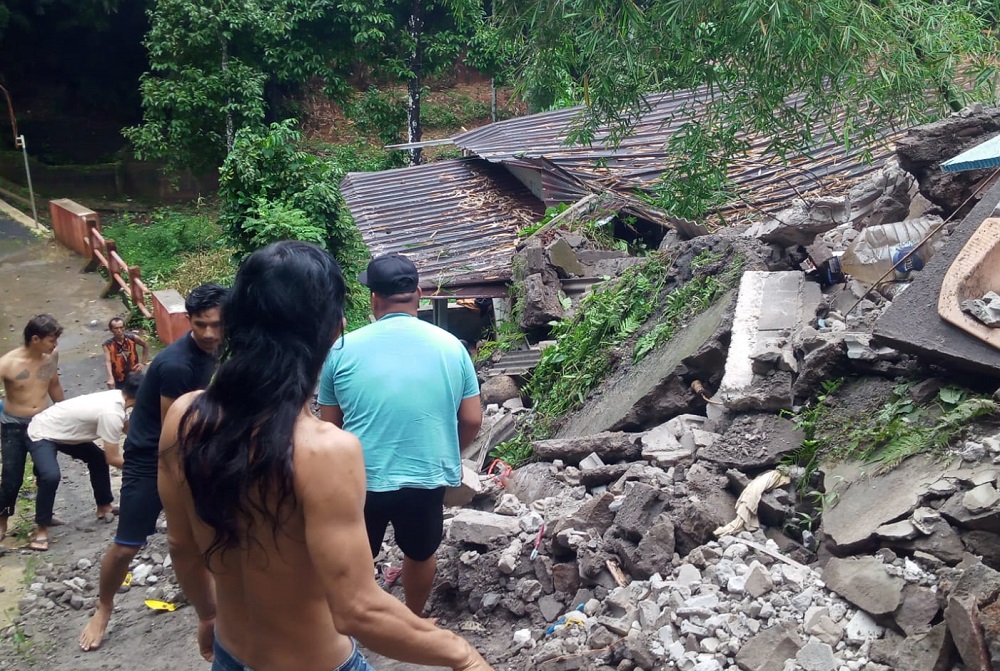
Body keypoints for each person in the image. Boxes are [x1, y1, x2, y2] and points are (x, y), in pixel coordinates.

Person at [158, 241, 492, 671]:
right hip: (316, 663)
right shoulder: (324, 451)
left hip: (231, 653)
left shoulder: (185, 418)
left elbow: (181, 544)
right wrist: (462, 654)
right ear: (334, 329)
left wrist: (208, 614)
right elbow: (358, 610)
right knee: (418, 551)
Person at [318, 253, 483, 617]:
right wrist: (447, 451)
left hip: (361, 477)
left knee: (357, 555)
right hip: (426, 474)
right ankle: (412, 620)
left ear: (374, 299)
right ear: (419, 295)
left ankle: (356, 624)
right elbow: (472, 418)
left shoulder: (342, 348)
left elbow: (327, 427)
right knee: (420, 552)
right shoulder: (451, 346)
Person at [79, 284, 227, 652]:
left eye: (217, 324)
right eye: (199, 324)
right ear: (189, 321)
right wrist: (185, 487)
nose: (208, 333)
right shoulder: (178, 365)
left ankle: (216, 608)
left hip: (200, 447)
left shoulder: (227, 347)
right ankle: (104, 606)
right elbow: (174, 434)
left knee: (211, 534)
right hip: (154, 456)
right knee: (129, 544)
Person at [24, 372, 143, 551]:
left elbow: (128, 429)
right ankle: (41, 529)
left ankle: (104, 506)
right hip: (42, 431)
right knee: (50, 476)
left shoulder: (118, 397)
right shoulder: (111, 412)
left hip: (63, 431)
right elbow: (113, 458)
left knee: (97, 459)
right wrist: (143, 467)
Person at [0, 315, 65, 542]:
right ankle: (2, 521)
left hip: (43, 422)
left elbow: (53, 384)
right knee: (11, 478)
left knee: (47, 474)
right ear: (35, 339)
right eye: (51, 340)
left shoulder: (50, 357)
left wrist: (65, 412)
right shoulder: (7, 363)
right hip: (13, 426)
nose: (55, 344)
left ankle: (44, 519)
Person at [102, 317, 149, 390]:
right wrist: (110, 377)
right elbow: (108, 361)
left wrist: (143, 363)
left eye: (121, 327)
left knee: (140, 395)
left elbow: (145, 346)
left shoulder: (132, 338)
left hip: (135, 374)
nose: (119, 331)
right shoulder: (107, 345)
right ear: (111, 330)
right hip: (119, 377)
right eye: (116, 328)